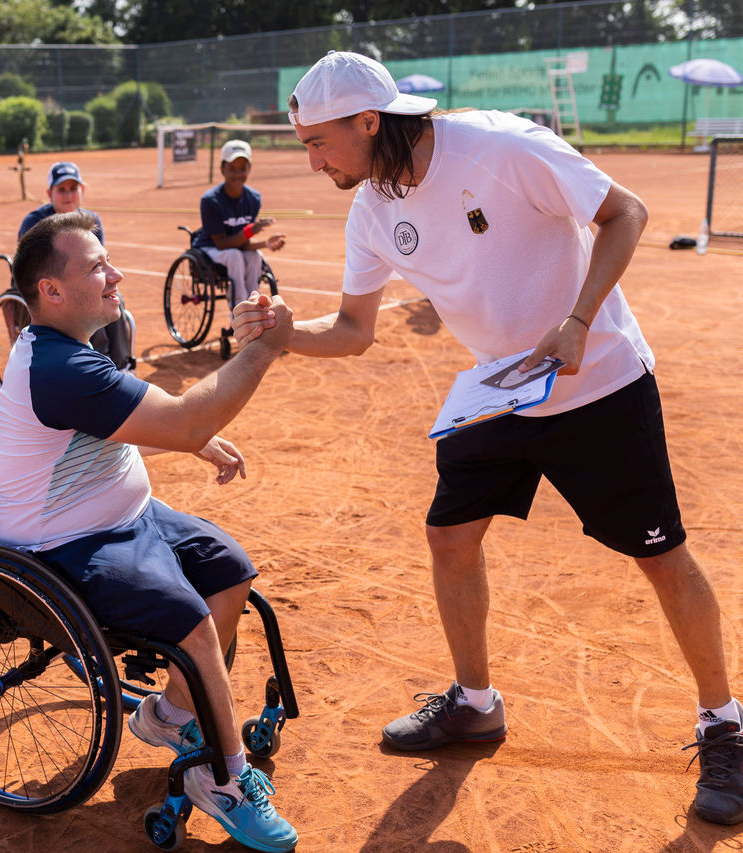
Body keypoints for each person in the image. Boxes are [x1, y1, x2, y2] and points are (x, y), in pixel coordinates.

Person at [233, 48, 743, 826]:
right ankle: (475, 703)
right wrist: (282, 334)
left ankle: (725, 726)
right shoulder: (372, 208)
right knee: (450, 536)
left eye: (317, 143)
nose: (312, 162)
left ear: (367, 121)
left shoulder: (501, 149)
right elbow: (354, 329)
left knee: (660, 556)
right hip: (500, 390)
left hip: (599, 382)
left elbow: (626, 212)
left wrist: (577, 321)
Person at [0, 210, 297, 852]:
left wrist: (191, 440)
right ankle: (224, 780)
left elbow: (103, 437)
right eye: (98, 267)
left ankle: (171, 716)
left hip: (119, 516)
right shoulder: (59, 367)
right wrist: (264, 348)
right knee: (193, 623)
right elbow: (183, 417)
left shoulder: (66, 350)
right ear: (51, 290)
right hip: (65, 545)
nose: (117, 275)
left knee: (230, 570)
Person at [17, 161, 134, 371]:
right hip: (49, 289)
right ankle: (100, 366)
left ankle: (122, 366)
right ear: (50, 193)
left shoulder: (91, 221)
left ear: (82, 190)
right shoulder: (34, 223)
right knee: (88, 303)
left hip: (81, 282)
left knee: (114, 299)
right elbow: (32, 272)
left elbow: (98, 264)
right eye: (61, 189)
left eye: (73, 188)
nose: (68, 195)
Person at [193, 140, 285, 324]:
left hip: (234, 248)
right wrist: (252, 229)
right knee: (235, 256)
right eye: (232, 168)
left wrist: (265, 243)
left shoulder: (253, 198)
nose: (238, 174)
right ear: (222, 169)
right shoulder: (210, 200)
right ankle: (239, 313)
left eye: (243, 168)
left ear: (249, 169)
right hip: (210, 248)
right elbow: (222, 244)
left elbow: (242, 243)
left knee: (255, 256)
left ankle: (254, 306)